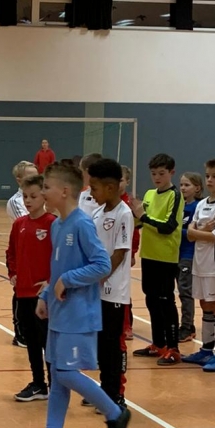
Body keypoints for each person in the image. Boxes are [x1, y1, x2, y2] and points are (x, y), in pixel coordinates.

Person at [18, 163, 130, 428]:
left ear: (64, 191)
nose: (43, 192)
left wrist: (68, 280)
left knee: (66, 372)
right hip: (59, 312)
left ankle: (115, 413)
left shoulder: (81, 224)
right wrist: (45, 295)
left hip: (79, 314)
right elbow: (57, 269)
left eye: (46, 188)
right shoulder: (57, 225)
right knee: (58, 375)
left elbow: (101, 265)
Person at [128, 153, 184, 366]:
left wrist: (142, 216)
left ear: (171, 172)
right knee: (151, 300)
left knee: (165, 301)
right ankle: (158, 343)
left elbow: (168, 227)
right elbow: (143, 223)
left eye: (161, 173)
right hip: (148, 255)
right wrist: (134, 215)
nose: (157, 178)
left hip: (166, 257)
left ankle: (173, 348)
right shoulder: (150, 194)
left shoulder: (174, 195)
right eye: (153, 174)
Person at [88, 158, 133, 410]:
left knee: (112, 345)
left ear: (110, 187)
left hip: (114, 292)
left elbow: (119, 252)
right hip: (96, 292)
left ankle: (115, 395)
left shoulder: (123, 214)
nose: (91, 193)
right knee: (100, 344)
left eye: (94, 188)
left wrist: (99, 275)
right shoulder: (97, 213)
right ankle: (104, 389)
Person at [7, 172, 55, 402]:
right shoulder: (19, 224)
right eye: (25, 196)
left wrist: (50, 282)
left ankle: (55, 384)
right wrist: (13, 273)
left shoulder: (52, 223)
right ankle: (38, 383)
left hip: (43, 296)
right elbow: (11, 253)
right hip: (23, 293)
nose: (28, 200)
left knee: (48, 341)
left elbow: (60, 257)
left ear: (44, 196)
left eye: (33, 196)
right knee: (32, 342)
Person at [182, 158, 215, 373]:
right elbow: (189, 235)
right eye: (208, 176)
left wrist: (197, 232)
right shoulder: (202, 204)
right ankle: (206, 348)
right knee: (204, 304)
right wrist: (200, 231)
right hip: (200, 262)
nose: (210, 180)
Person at [6, 160, 38, 346]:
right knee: (20, 292)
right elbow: (28, 221)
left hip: (38, 253)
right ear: (19, 180)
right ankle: (20, 333)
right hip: (22, 253)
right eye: (30, 176)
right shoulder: (16, 202)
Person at [177, 172, 203, 343]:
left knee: (186, 291)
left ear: (197, 188)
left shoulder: (197, 207)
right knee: (179, 291)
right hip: (175, 253)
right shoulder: (179, 205)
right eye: (181, 185)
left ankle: (187, 326)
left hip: (189, 254)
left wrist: (177, 231)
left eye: (187, 185)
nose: (183, 188)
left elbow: (196, 232)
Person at [119, 164, 139, 341]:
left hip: (124, 254)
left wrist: (132, 252)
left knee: (123, 289)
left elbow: (135, 232)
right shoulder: (105, 203)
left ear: (127, 182)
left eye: (121, 180)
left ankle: (127, 325)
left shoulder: (129, 205)